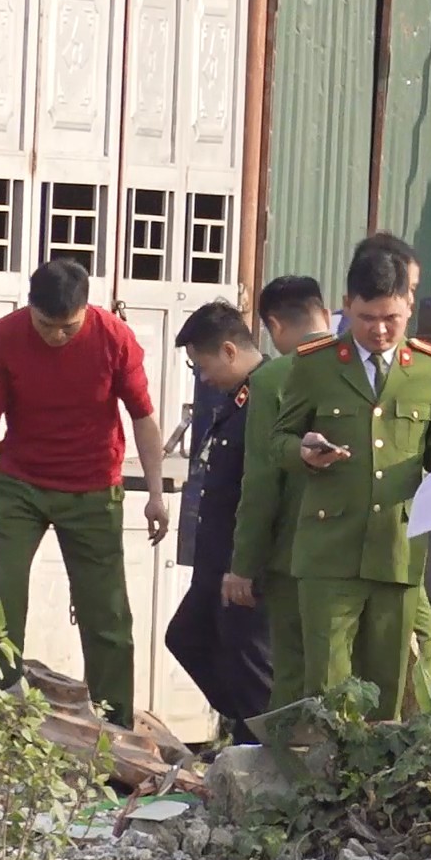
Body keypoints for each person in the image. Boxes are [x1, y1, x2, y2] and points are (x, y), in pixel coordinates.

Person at [0, 259, 169, 728]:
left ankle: (114, 723)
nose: (56, 336)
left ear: (86, 309)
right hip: (19, 484)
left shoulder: (115, 337)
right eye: (45, 326)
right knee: (5, 589)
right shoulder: (3, 337)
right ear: (30, 307)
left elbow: (143, 418)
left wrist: (155, 493)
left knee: (107, 609)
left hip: (95, 487)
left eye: (67, 328)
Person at [271, 249, 431, 721]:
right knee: (329, 690)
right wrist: (304, 450)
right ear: (346, 305)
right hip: (329, 548)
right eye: (367, 318)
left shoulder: (430, 367)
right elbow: (278, 440)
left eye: (391, 318)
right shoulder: (316, 365)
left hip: (396, 549)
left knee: (387, 690)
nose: (379, 330)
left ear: (408, 307)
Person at [166, 300, 274, 745]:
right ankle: (243, 728)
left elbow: (261, 490)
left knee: (250, 665)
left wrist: (243, 564)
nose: (202, 377)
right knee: (188, 637)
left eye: (203, 365)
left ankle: (265, 747)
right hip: (215, 564)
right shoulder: (236, 400)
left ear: (230, 351)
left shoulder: (265, 399)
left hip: (240, 564)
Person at [226, 275, 336, 713]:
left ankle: (289, 772)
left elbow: (261, 482)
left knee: (292, 672)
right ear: (325, 311)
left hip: (293, 555)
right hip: (357, 552)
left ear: (274, 325)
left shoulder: (271, 378)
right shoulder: (364, 368)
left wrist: (243, 565)